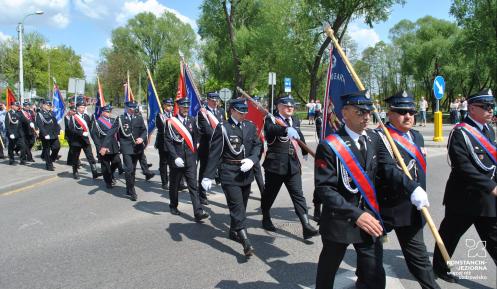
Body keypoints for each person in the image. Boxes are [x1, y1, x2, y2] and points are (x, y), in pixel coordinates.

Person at [314, 91, 387, 289]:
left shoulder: (374, 138)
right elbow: (325, 189)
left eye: (369, 112)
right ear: (345, 113)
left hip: (369, 218)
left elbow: (384, 173)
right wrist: (356, 214)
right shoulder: (329, 145)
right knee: (327, 271)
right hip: (341, 219)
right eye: (360, 112)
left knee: (375, 275)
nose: (366, 117)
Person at [376, 91, 440, 289]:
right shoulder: (379, 137)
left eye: (411, 111)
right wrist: (413, 188)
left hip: (410, 207)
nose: (408, 116)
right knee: (370, 256)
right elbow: (387, 169)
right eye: (402, 111)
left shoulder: (417, 137)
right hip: (384, 207)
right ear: (390, 113)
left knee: (418, 256)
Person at [432, 88, 497, 283]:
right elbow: (463, 167)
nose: (490, 110)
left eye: (492, 106)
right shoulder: (459, 132)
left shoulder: (488, 130)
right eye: (485, 106)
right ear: (472, 108)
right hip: (464, 198)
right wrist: (490, 186)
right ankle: (440, 267)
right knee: (450, 235)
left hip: (486, 199)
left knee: (494, 239)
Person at [201, 98, 262, 256]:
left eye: (245, 112)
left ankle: (233, 231)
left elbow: (257, 145)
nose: (243, 115)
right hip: (229, 173)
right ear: (233, 110)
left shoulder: (250, 126)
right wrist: (207, 176)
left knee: (242, 206)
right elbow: (214, 154)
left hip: (245, 172)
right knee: (237, 208)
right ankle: (246, 242)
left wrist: (252, 159)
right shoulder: (223, 128)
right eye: (241, 112)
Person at [260, 95, 319, 240]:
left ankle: (306, 226)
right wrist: (285, 130)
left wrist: (305, 151)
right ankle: (266, 216)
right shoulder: (271, 119)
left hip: (292, 164)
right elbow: (270, 130)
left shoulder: (295, 120)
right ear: (279, 106)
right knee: (269, 194)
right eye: (287, 106)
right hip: (275, 165)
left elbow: (299, 134)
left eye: (292, 106)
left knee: (298, 195)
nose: (290, 108)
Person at [164, 98, 209, 222]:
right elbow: (168, 141)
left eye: (187, 107)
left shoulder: (191, 120)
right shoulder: (171, 122)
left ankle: (198, 212)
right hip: (177, 160)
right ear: (178, 107)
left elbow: (197, 135)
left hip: (190, 159)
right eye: (183, 107)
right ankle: (173, 205)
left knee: (193, 185)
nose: (186, 109)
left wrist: (197, 146)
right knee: (174, 185)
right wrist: (175, 157)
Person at [101, 101, 148, 201]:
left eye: (134, 108)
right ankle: (132, 190)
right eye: (130, 108)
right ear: (126, 108)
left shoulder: (139, 118)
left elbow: (144, 130)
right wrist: (104, 146)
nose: (132, 110)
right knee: (129, 169)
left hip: (137, 148)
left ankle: (128, 187)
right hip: (126, 147)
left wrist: (142, 138)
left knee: (133, 170)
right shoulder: (121, 119)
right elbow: (111, 132)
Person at [197, 92, 225, 205]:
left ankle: (229, 193)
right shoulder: (202, 113)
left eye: (216, 100)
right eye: (212, 100)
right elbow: (208, 131)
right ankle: (202, 195)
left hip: (219, 146)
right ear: (208, 100)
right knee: (204, 170)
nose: (215, 102)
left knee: (223, 170)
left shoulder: (220, 111)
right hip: (207, 147)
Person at [68, 100, 101, 180]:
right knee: (75, 157)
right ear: (77, 108)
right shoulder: (73, 117)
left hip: (85, 141)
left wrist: (93, 120)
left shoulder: (86, 116)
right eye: (81, 107)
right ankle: (75, 171)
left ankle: (94, 172)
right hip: (76, 141)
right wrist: (81, 133)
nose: (83, 109)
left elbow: (90, 127)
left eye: (84, 107)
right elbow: (71, 129)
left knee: (90, 156)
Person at [91, 104, 120, 189]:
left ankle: (110, 174)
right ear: (102, 112)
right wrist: (100, 148)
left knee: (116, 161)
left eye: (110, 111)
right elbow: (95, 137)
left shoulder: (113, 121)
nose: (109, 113)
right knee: (105, 165)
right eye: (107, 111)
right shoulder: (97, 122)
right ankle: (108, 181)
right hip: (103, 146)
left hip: (113, 145)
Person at [35, 100, 61, 171]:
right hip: (45, 135)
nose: (49, 106)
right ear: (43, 105)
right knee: (47, 150)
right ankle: (49, 165)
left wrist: (58, 132)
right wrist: (45, 134)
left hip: (53, 134)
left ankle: (51, 159)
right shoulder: (39, 114)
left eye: (50, 105)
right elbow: (40, 125)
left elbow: (56, 124)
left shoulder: (52, 113)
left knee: (57, 147)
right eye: (47, 105)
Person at [155, 98, 174, 189]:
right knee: (163, 163)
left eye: (171, 105)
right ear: (164, 106)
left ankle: (174, 181)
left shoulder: (174, 115)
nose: (170, 107)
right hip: (163, 142)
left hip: (173, 143)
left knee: (173, 163)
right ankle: (164, 182)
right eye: (168, 105)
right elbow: (162, 128)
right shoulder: (160, 116)